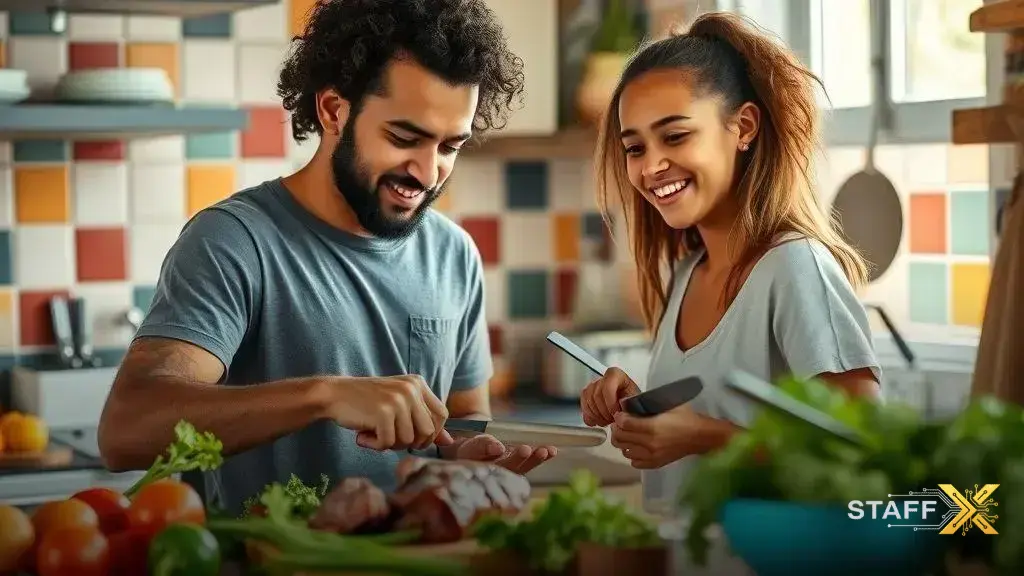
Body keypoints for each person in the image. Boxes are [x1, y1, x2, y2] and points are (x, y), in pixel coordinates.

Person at [98, 0, 555, 516]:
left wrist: (468, 460)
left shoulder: (455, 255)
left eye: (451, 146)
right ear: (334, 110)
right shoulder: (233, 242)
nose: (428, 173)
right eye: (405, 138)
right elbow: (126, 429)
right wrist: (324, 396)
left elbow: (465, 419)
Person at [580, 12, 882, 502]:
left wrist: (701, 437)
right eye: (635, 147)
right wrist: (641, 408)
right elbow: (711, 415)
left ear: (742, 127)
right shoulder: (686, 274)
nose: (652, 165)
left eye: (675, 136)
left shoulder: (794, 268)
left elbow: (863, 451)